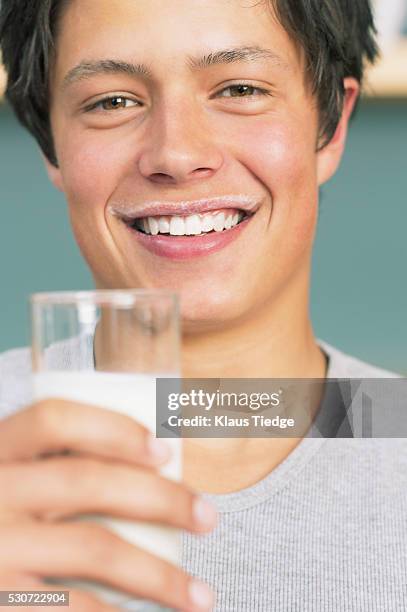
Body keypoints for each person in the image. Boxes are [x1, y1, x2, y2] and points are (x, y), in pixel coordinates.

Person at [0, 0, 405, 610]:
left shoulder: (390, 425)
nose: (175, 154)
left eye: (240, 88)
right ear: (52, 147)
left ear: (332, 126)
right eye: (112, 101)